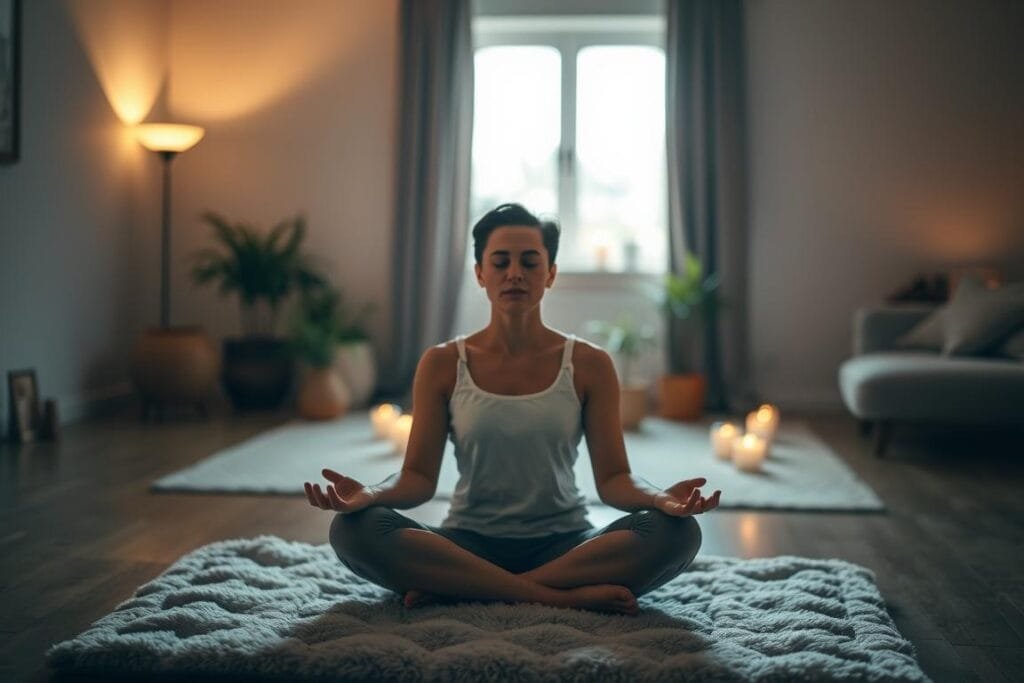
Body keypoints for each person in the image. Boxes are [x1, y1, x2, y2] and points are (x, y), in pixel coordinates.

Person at [304, 203, 721, 615]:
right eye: (500, 262)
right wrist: (370, 494)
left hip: (567, 544)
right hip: (466, 543)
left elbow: (614, 479)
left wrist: (660, 499)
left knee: (677, 534)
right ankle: (555, 595)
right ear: (480, 274)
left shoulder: (590, 364)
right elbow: (417, 478)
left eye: (530, 261)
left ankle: (461, 589)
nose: (515, 273)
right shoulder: (442, 362)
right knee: (353, 529)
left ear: (551, 273)